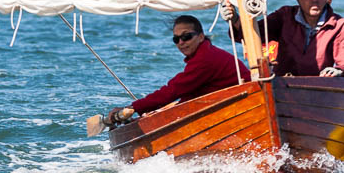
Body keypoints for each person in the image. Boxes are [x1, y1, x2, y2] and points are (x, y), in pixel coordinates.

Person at [105, 15, 250, 123]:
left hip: (242, 108)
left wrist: (133, 107)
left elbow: (173, 91)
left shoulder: (205, 59)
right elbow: (189, 96)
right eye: (176, 39)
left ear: (201, 37)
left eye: (186, 36)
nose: (181, 42)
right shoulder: (207, 54)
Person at [224, 0, 344, 79]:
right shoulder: (284, 16)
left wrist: (340, 70)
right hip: (282, 86)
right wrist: (235, 20)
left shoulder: (339, 25)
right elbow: (250, 36)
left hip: (319, 91)